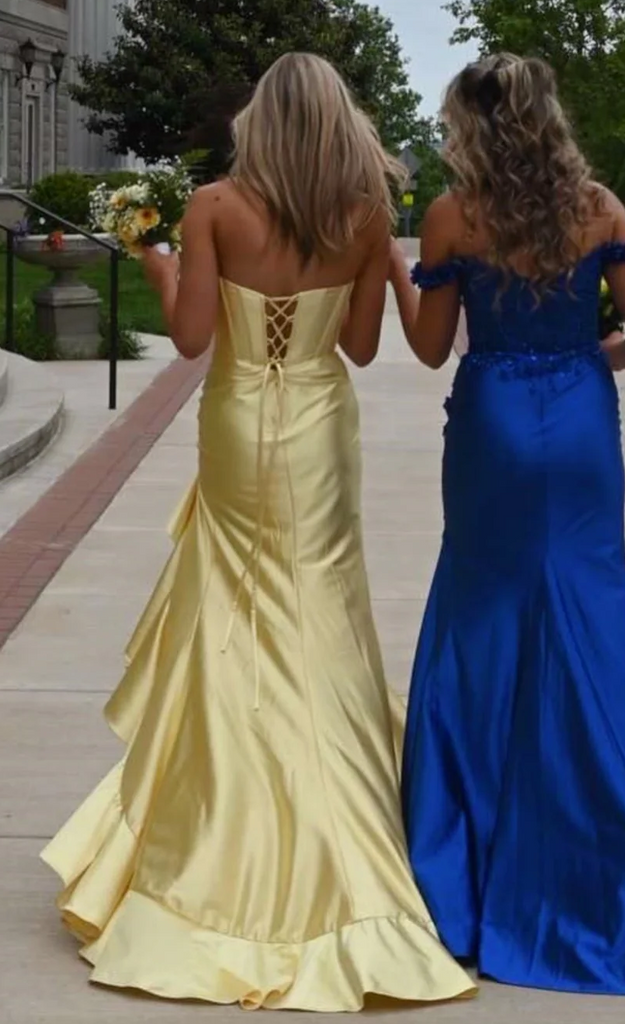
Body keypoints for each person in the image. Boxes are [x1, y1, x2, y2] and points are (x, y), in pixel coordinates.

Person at [40, 53, 476, 1010]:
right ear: (338, 123)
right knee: (323, 608)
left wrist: (158, 264)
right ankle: (346, 820)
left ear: (260, 121)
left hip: (238, 421)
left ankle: (219, 824)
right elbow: (359, 346)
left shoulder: (213, 207)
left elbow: (193, 339)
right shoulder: (364, 214)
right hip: (320, 425)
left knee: (233, 610)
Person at [389, 52, 625, 996]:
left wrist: (398, 274)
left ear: (469, 122)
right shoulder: (598, 208)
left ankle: (469, 849)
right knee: (591, 619)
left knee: (482, 617)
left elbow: (430, 349)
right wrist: (584, 362)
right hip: (581, 423)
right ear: (547, 115)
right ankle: (612, 838)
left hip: (492, 429)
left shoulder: (453, 215)